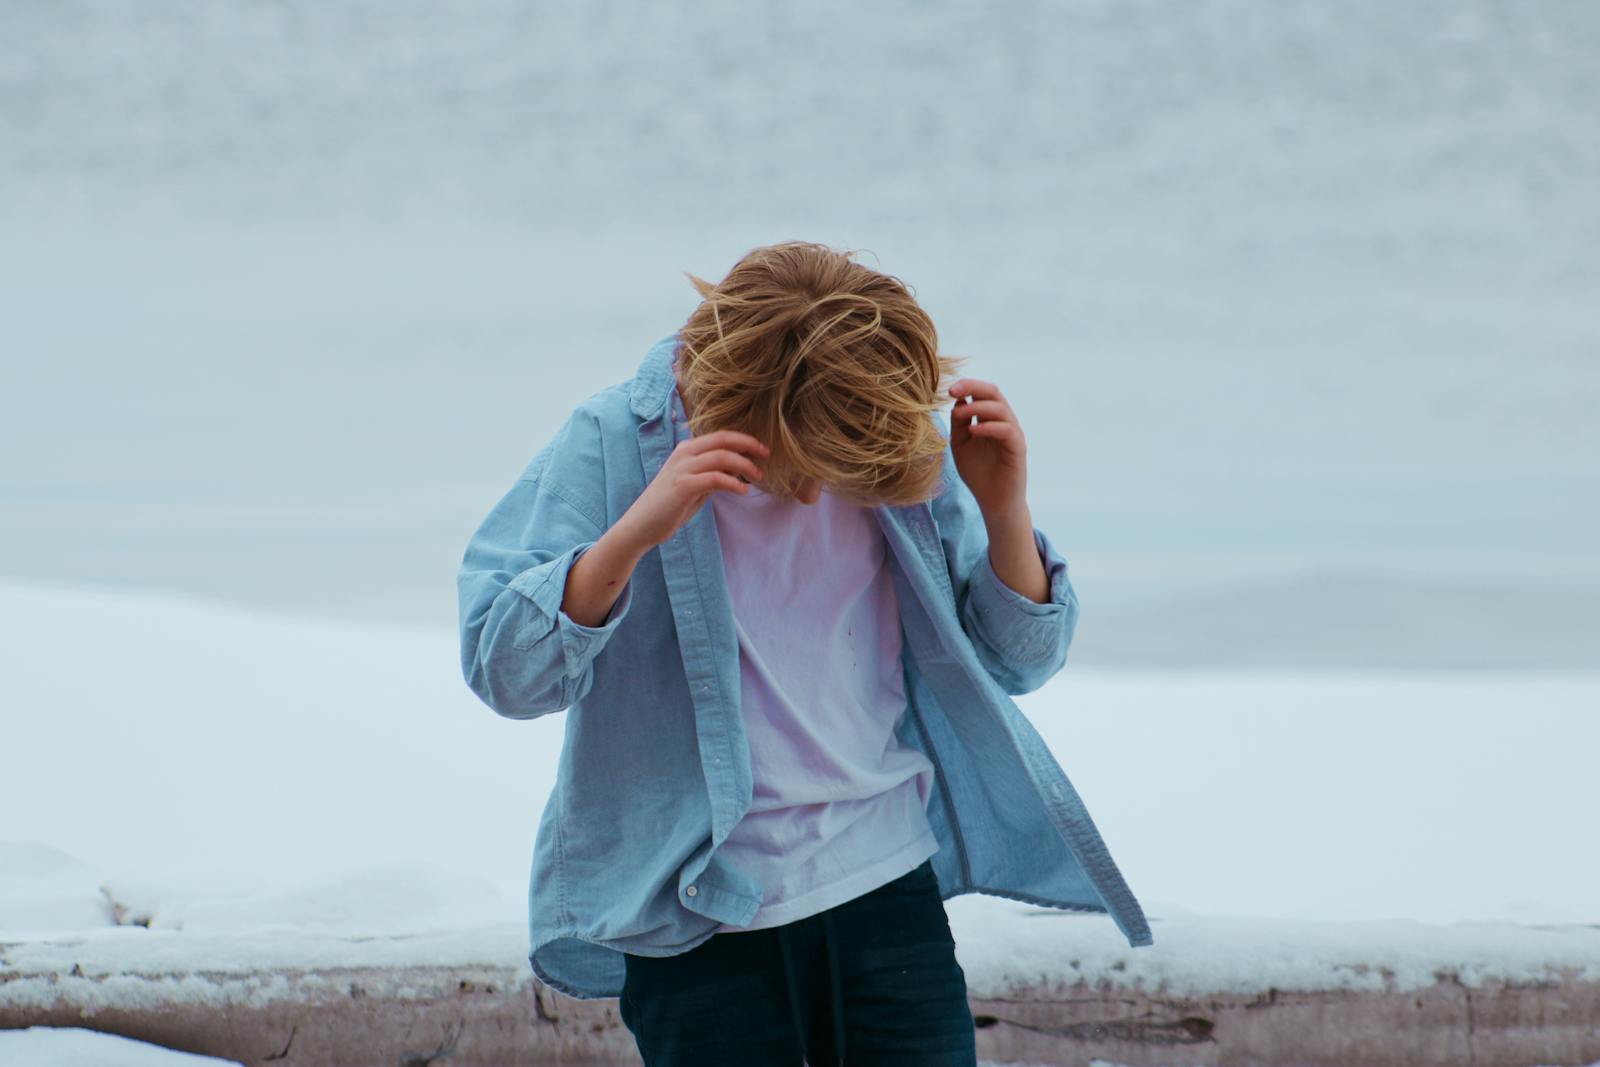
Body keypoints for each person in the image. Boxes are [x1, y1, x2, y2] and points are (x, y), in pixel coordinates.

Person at [456, 241, 1152, 1066]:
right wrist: (638, 531)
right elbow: (503, 668)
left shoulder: (878, 430)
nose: (823, 492)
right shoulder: (614, 440)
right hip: (701, 915)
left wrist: (1005, 507)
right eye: (808, 460)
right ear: (745, 401)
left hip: (888, 888)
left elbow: (1018, 662)